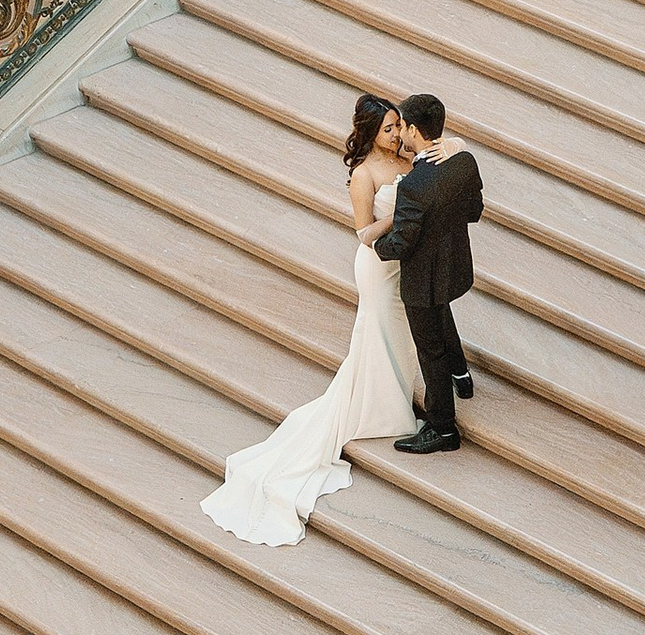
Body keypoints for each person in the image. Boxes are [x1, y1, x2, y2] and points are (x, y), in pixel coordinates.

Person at [200, 92, 420, 547]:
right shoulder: (364, 175)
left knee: (400, 334)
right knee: (378, 333)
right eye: (388, 129)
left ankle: (396, 391)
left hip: (405, 263)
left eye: (398, 126)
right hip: (378, 267)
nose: (397, 134)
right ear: (370, 134)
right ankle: (382, 408)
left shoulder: (406, 159)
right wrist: (401, 214)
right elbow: (362, 232)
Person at [375, 90, 483, 454]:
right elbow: (474, 211)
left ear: (415, 130)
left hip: (423, 277)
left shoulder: (415, 186)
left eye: (402, 126)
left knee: (429, 349)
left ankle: (442, 429)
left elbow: (401, 244)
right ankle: (461, 376)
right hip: (452, 265)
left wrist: (375, 244)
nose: (399, 133)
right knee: (442, 315)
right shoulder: (464, 162)